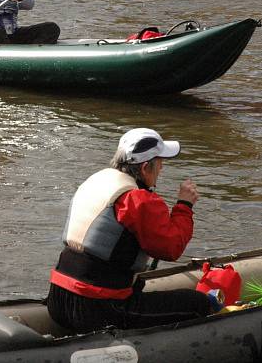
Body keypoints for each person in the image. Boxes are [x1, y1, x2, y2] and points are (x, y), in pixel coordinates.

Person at [46, 128, 216, 333]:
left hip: (57, 299)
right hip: (97, 307)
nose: (162, 167)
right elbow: (172, 248)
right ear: (145, 168)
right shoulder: (138, 200)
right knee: (197, 304)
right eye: (160, 162)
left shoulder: (98, 180)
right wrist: (184, 206)